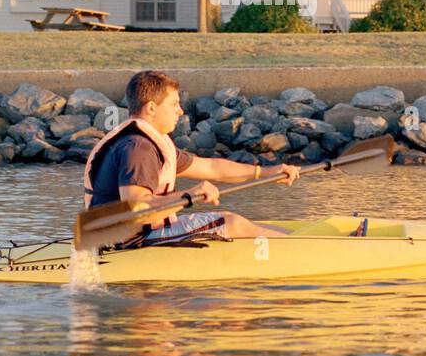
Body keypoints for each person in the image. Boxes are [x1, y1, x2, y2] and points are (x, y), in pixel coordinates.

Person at [83, 70, 300, 247]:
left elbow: (212, 168)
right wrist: (189, 193)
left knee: (236, 222)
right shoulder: (138, 148)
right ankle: (300, 251)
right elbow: (137, 208)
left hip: (126, 235)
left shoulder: (149, 141)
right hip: (127, 242)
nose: (180, 111)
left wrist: (265, 172)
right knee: (231, 223)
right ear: (151, 107)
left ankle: (297, 241)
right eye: (174, 104)